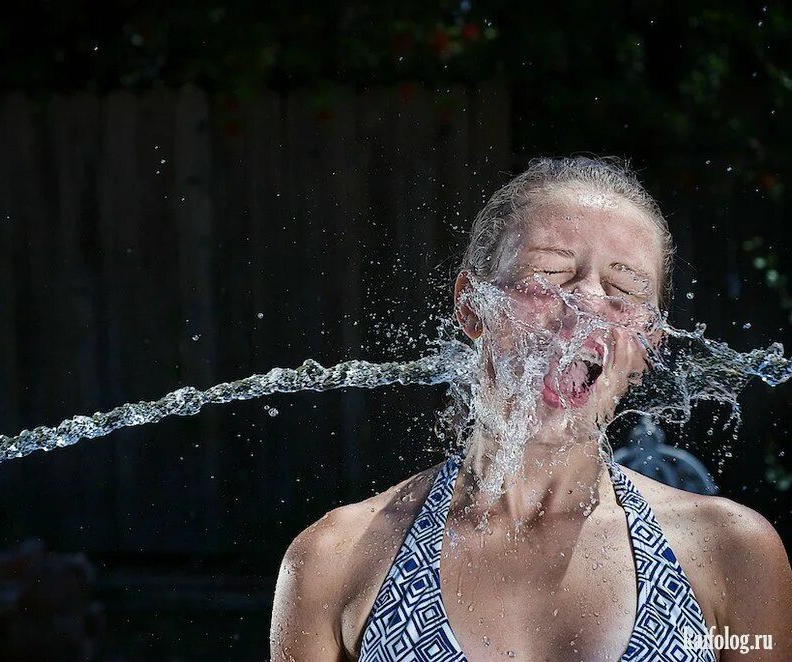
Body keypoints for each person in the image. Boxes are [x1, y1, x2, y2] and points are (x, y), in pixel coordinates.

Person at [269, 156, 792, 661]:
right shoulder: (335, 561)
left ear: (648, 342)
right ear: (472, 306)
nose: (584, 305)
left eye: (624, 289)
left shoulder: (730, 554)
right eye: (549, 276)